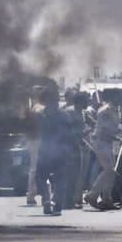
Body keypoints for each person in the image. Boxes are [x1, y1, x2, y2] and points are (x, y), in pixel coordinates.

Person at [84, 88, 122, 210]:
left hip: (108, 142)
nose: (121, 99)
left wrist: (116, 135)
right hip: (101, 142)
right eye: (119, 97)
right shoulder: (106, 111)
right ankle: (92, 195)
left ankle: (107, 199)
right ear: (113, 97)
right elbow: (102, 130)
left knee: (111, 172)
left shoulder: (116, 110)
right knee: (109, 170)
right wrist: (117, 138)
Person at [36, 88, 73, 216]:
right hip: (61, 150)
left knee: (41, 177)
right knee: (61, 179)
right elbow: (69, 134)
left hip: (45, 149)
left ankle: (46, 199)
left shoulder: (39, 116)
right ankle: (57, 204)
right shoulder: (64, 115)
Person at [26, 86, 46, 205]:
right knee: (37, 168)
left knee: (36, 167)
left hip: (35, 139)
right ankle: (34, 195)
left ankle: (35, 194)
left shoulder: (35, 107)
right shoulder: (39, 108)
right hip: (37, 140)